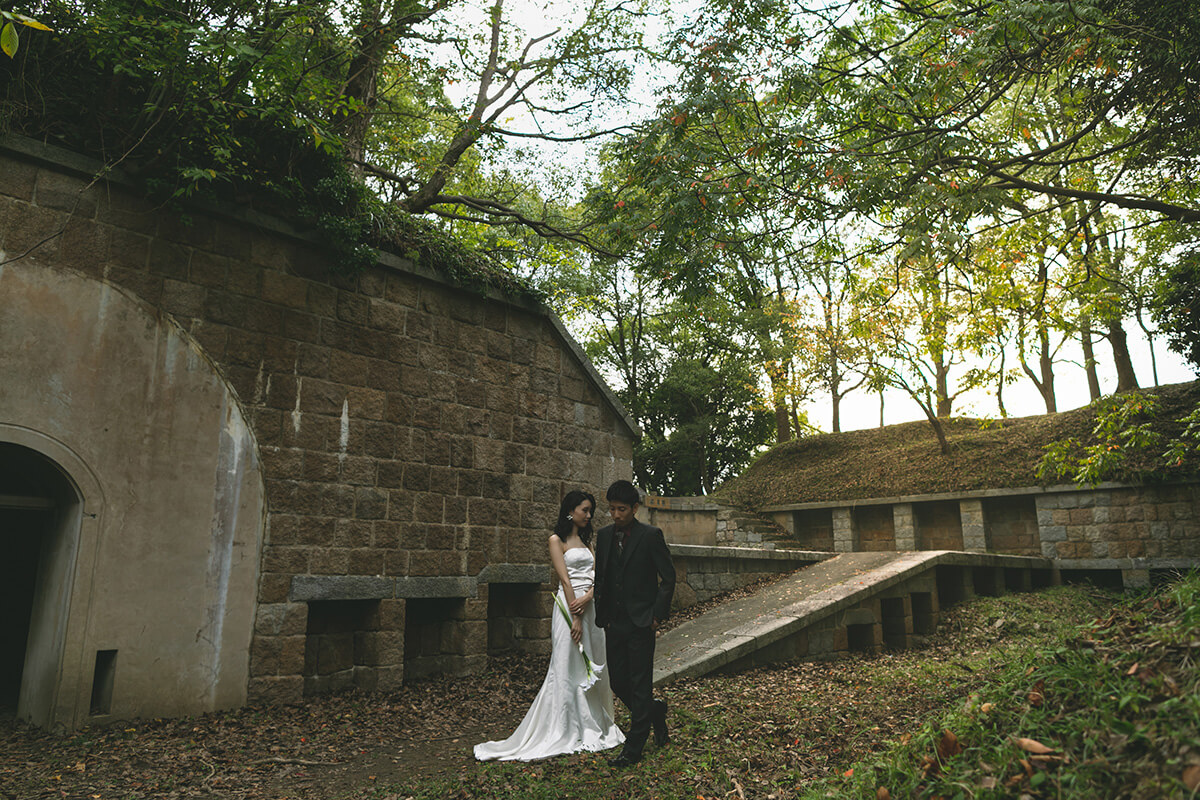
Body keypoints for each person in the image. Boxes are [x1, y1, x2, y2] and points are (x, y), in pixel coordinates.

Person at [473, 490, 624, 761]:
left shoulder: (588, 541)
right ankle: (563, 726)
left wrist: (590, 598)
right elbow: (565, 580)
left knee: (594, 661)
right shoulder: (556, 540)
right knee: (567, 664)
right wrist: (575, 616)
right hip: (569, 607)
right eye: (585, 510)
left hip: (591, 608)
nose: (589, 516)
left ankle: (595, 722)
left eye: (591, 511)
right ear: (571, 511)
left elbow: (597, 576)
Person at [594, 479, 676, 767]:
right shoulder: (603, 536)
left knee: (640, 684)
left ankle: (634, 748)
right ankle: (654, 713)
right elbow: (601, 577)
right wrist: (600, 614)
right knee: (618, 682)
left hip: (642, 623)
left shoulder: (650, 535)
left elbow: (668, 578)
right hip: (613, 623)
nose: (616, 515)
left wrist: (656, 616)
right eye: (612, 509)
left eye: (622, 510)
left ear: (635, 508)